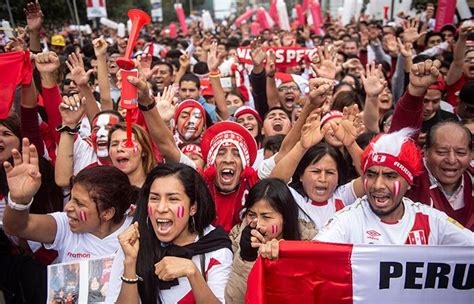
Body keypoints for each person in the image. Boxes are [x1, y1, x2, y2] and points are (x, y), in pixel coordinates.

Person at [311, 128, 474, 245]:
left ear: (409, 183)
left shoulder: (432, 220)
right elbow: (312, 258)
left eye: (390, 176)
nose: (378, 185)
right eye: (371, 174)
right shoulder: (345, 221)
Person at [106, 163, 233, 303]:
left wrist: (192, 272)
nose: (161, 208)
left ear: (193, 207)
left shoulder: (216, 248)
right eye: (154, 198)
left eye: (173, 199)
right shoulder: (133, 243)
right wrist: (130, 263)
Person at [2, 138, 136, 262]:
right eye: (71, 199)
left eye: (80, 203)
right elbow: (15, 227)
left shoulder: (136, 230)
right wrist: (18, 200)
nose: (67, 208)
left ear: (107, 213)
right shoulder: (64, 226)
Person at [224, 178, 317, 303]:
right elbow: (233, 300)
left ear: (285, 217)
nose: (258, 224)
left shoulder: (311, 243)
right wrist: (246, 258)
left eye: (266, 217)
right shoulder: (235, 240)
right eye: (252, 215)